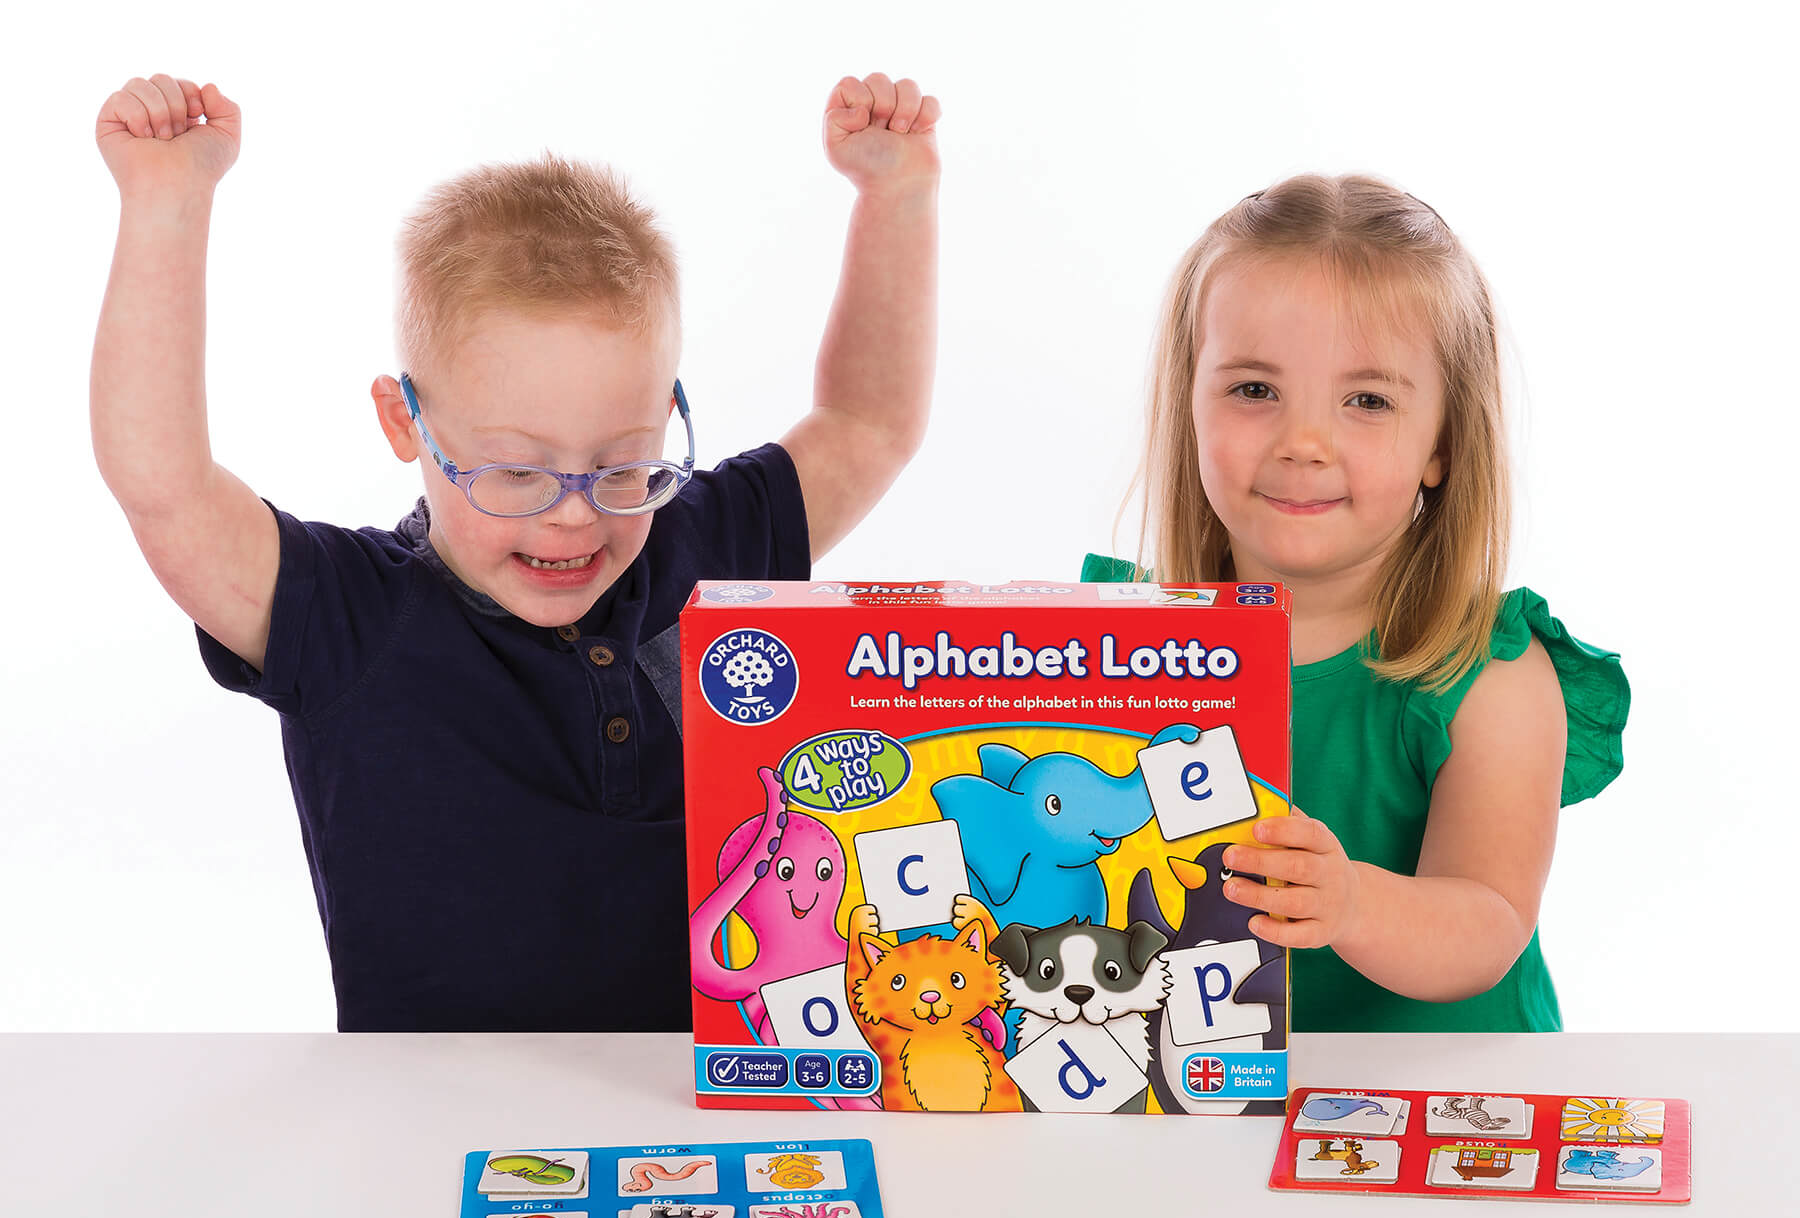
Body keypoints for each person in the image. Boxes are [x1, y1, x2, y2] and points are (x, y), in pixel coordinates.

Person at [91, 71, 940, 1031]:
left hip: (711, 1114)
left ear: (667, 418)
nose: (572, 518)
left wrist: (896, 195)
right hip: (442, 1141)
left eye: (622, 465)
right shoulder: (350, 618)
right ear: (405, 423)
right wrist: (166, 204)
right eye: (516, 474)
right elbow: (162, 484)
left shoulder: (710, 542)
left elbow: (866, 421)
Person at [1085, 175, 1628, 1030]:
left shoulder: (1492, 675)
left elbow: (1490, 920)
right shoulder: (1117, 644)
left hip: (1450, 1109)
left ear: (1442, 444)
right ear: (1190, 404)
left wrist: (1350, 905)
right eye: (1254, 390)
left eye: (1367, 400)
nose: (1304, 443)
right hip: (1216, 1097)